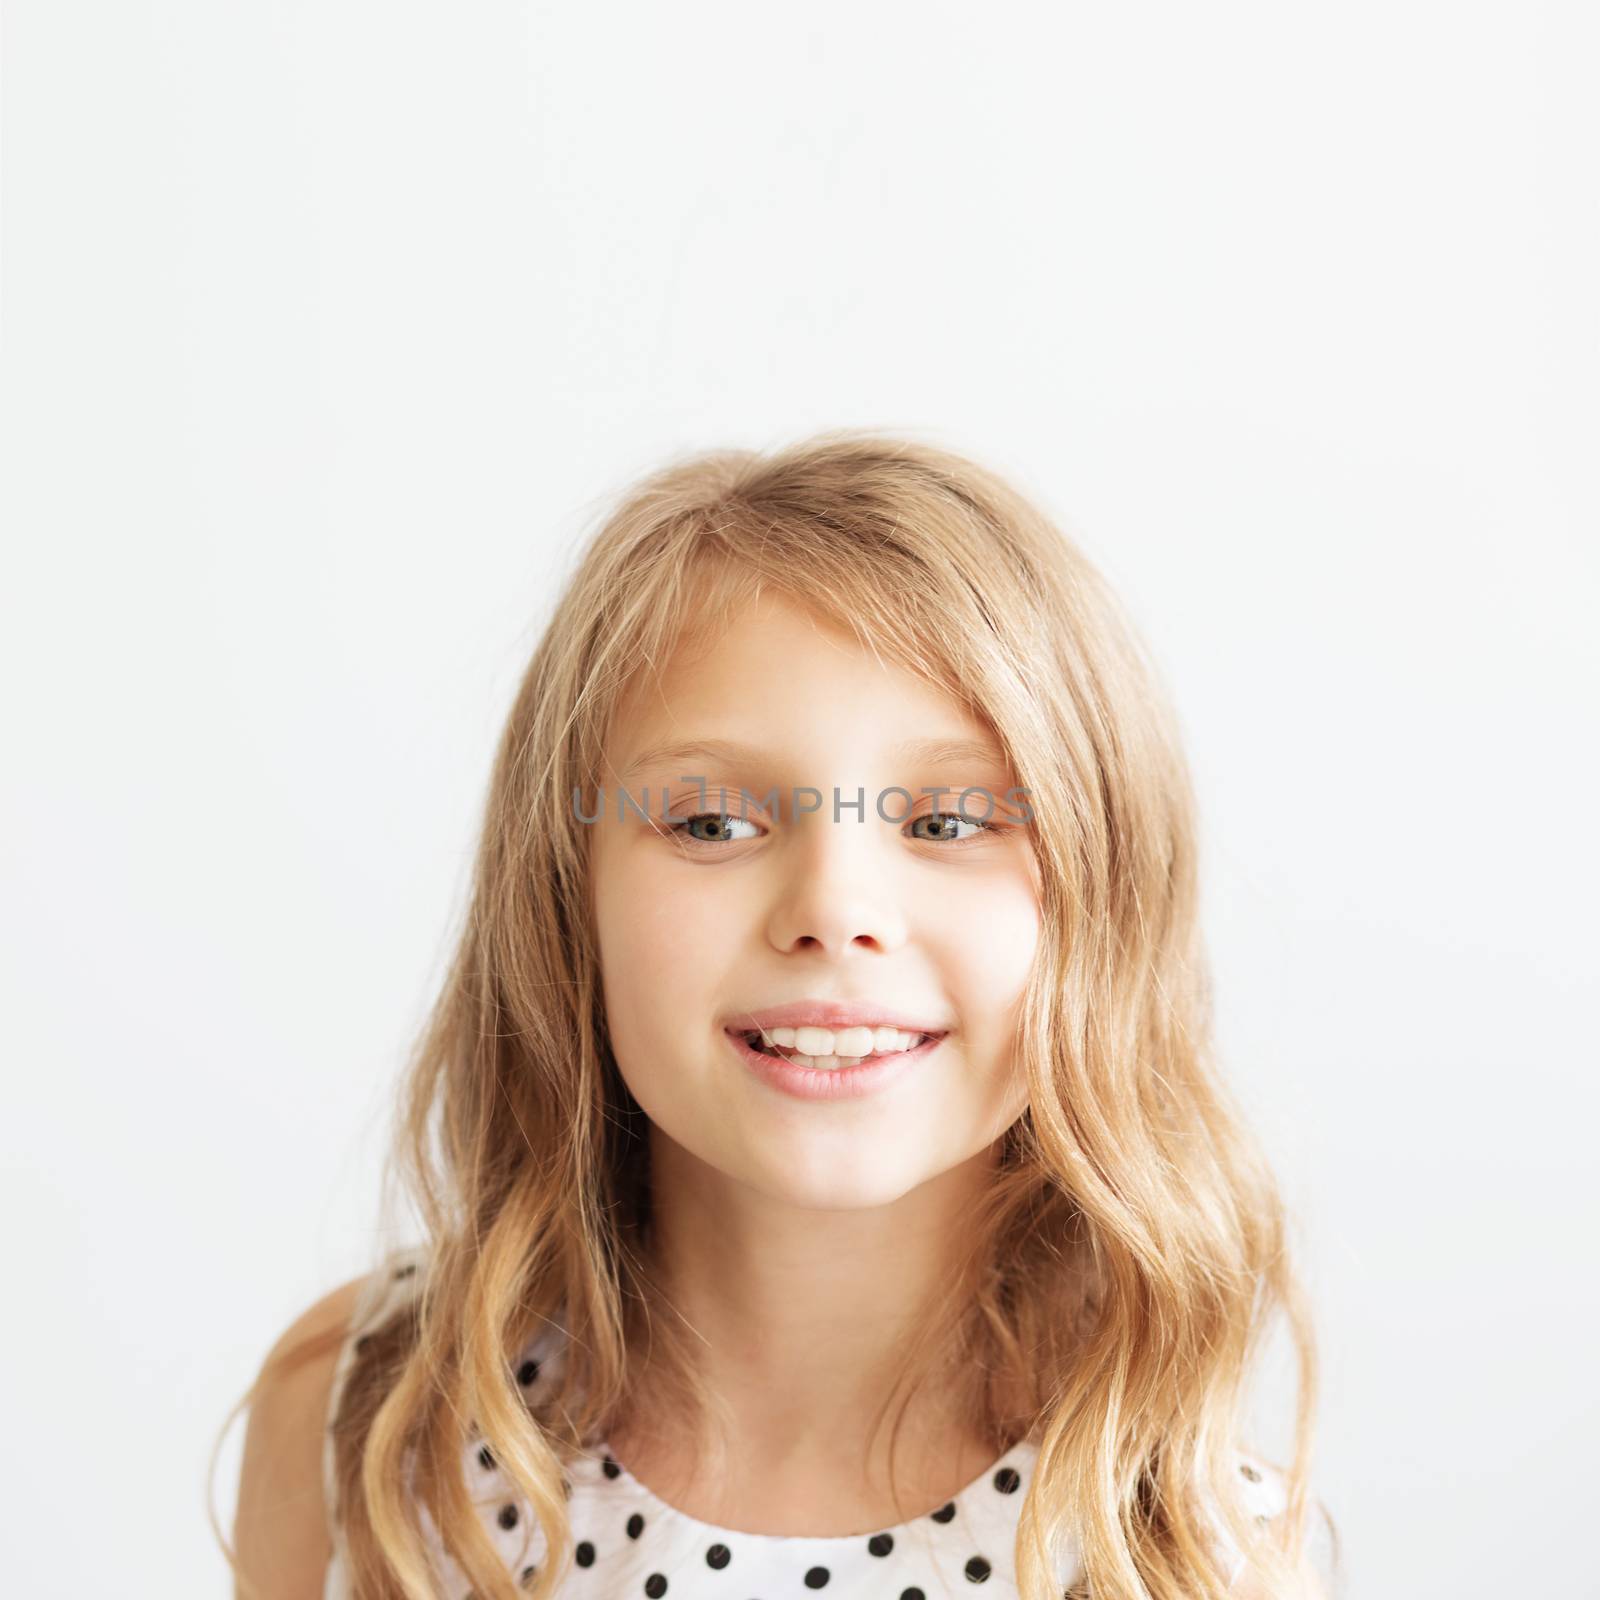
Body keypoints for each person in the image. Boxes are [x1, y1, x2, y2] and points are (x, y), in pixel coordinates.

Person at [220, 429, 1335, 1599]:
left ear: (1109, 901)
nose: (834, 910)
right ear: (563, 895)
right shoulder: (364, 1417)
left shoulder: (1186, 1545)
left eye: (949, 823)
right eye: (710, 824)